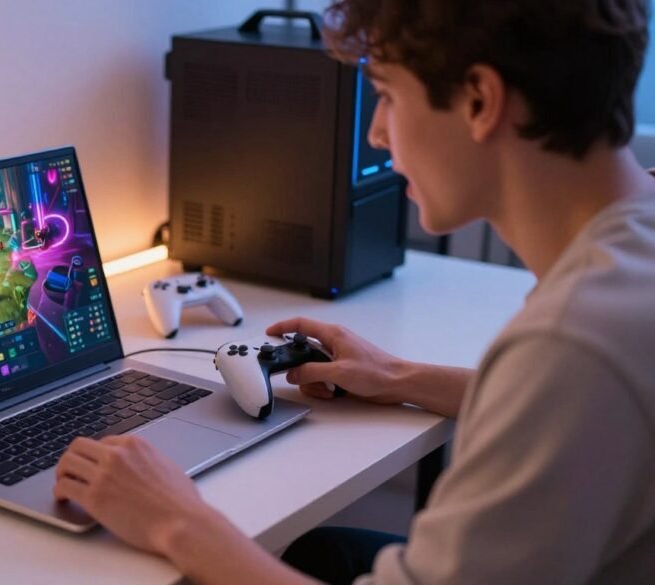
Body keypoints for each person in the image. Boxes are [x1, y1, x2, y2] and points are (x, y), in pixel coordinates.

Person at [52, 1, 655, 583]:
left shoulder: (569, 344)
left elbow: (562, 383)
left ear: (479, 100)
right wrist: (399, 376)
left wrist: (175, 520)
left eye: (387, 94)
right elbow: (562, 408)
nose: (374, 134)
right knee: (324, 551)